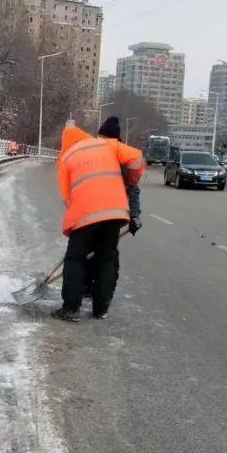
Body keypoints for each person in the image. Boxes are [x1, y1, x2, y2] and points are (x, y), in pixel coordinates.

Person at [53, 123, 143, 322]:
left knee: (75, 259)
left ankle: (71, 309)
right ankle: (101, 309)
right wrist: (131, 181)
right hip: (115, 213)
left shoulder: (66, 157)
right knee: (106, 259)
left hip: (85, 213)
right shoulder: (107, 145)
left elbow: (66, 196)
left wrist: (79, 215)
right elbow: (136, 157)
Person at [83, 117, 143, 300]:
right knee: (106, 253)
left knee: (97, 251)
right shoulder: (123, 156)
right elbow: (133, 189)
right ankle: (99, 291)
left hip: (92, 212)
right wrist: (134, 215)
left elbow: (132, 189)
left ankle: (95, 289)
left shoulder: (95, 153)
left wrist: (135, 215)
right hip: (113, 213)